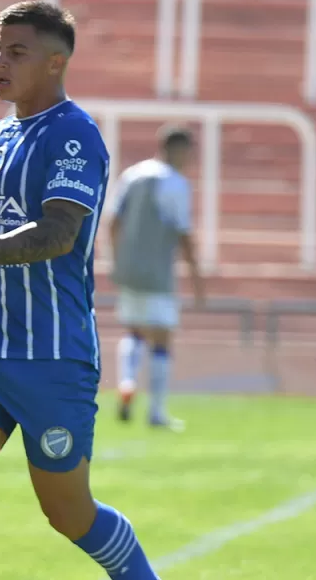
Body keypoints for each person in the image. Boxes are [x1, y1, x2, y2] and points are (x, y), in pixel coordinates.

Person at [0, 1, 159, 579]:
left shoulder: (74, 136)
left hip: (51, 355)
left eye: (16, 51)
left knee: (68, 512)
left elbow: (59, 234)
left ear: (55, 62)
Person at [110, 124, 203, 430]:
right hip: (158, 268)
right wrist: (197, 278)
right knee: (162, 338)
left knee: (134, 331)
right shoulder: (175, 183)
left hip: (129, 265)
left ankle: (126, 382)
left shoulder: (132, 174)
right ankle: (157, 411)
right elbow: (183, 234)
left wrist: (117, 259)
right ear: (178, 148)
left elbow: (113, 221)